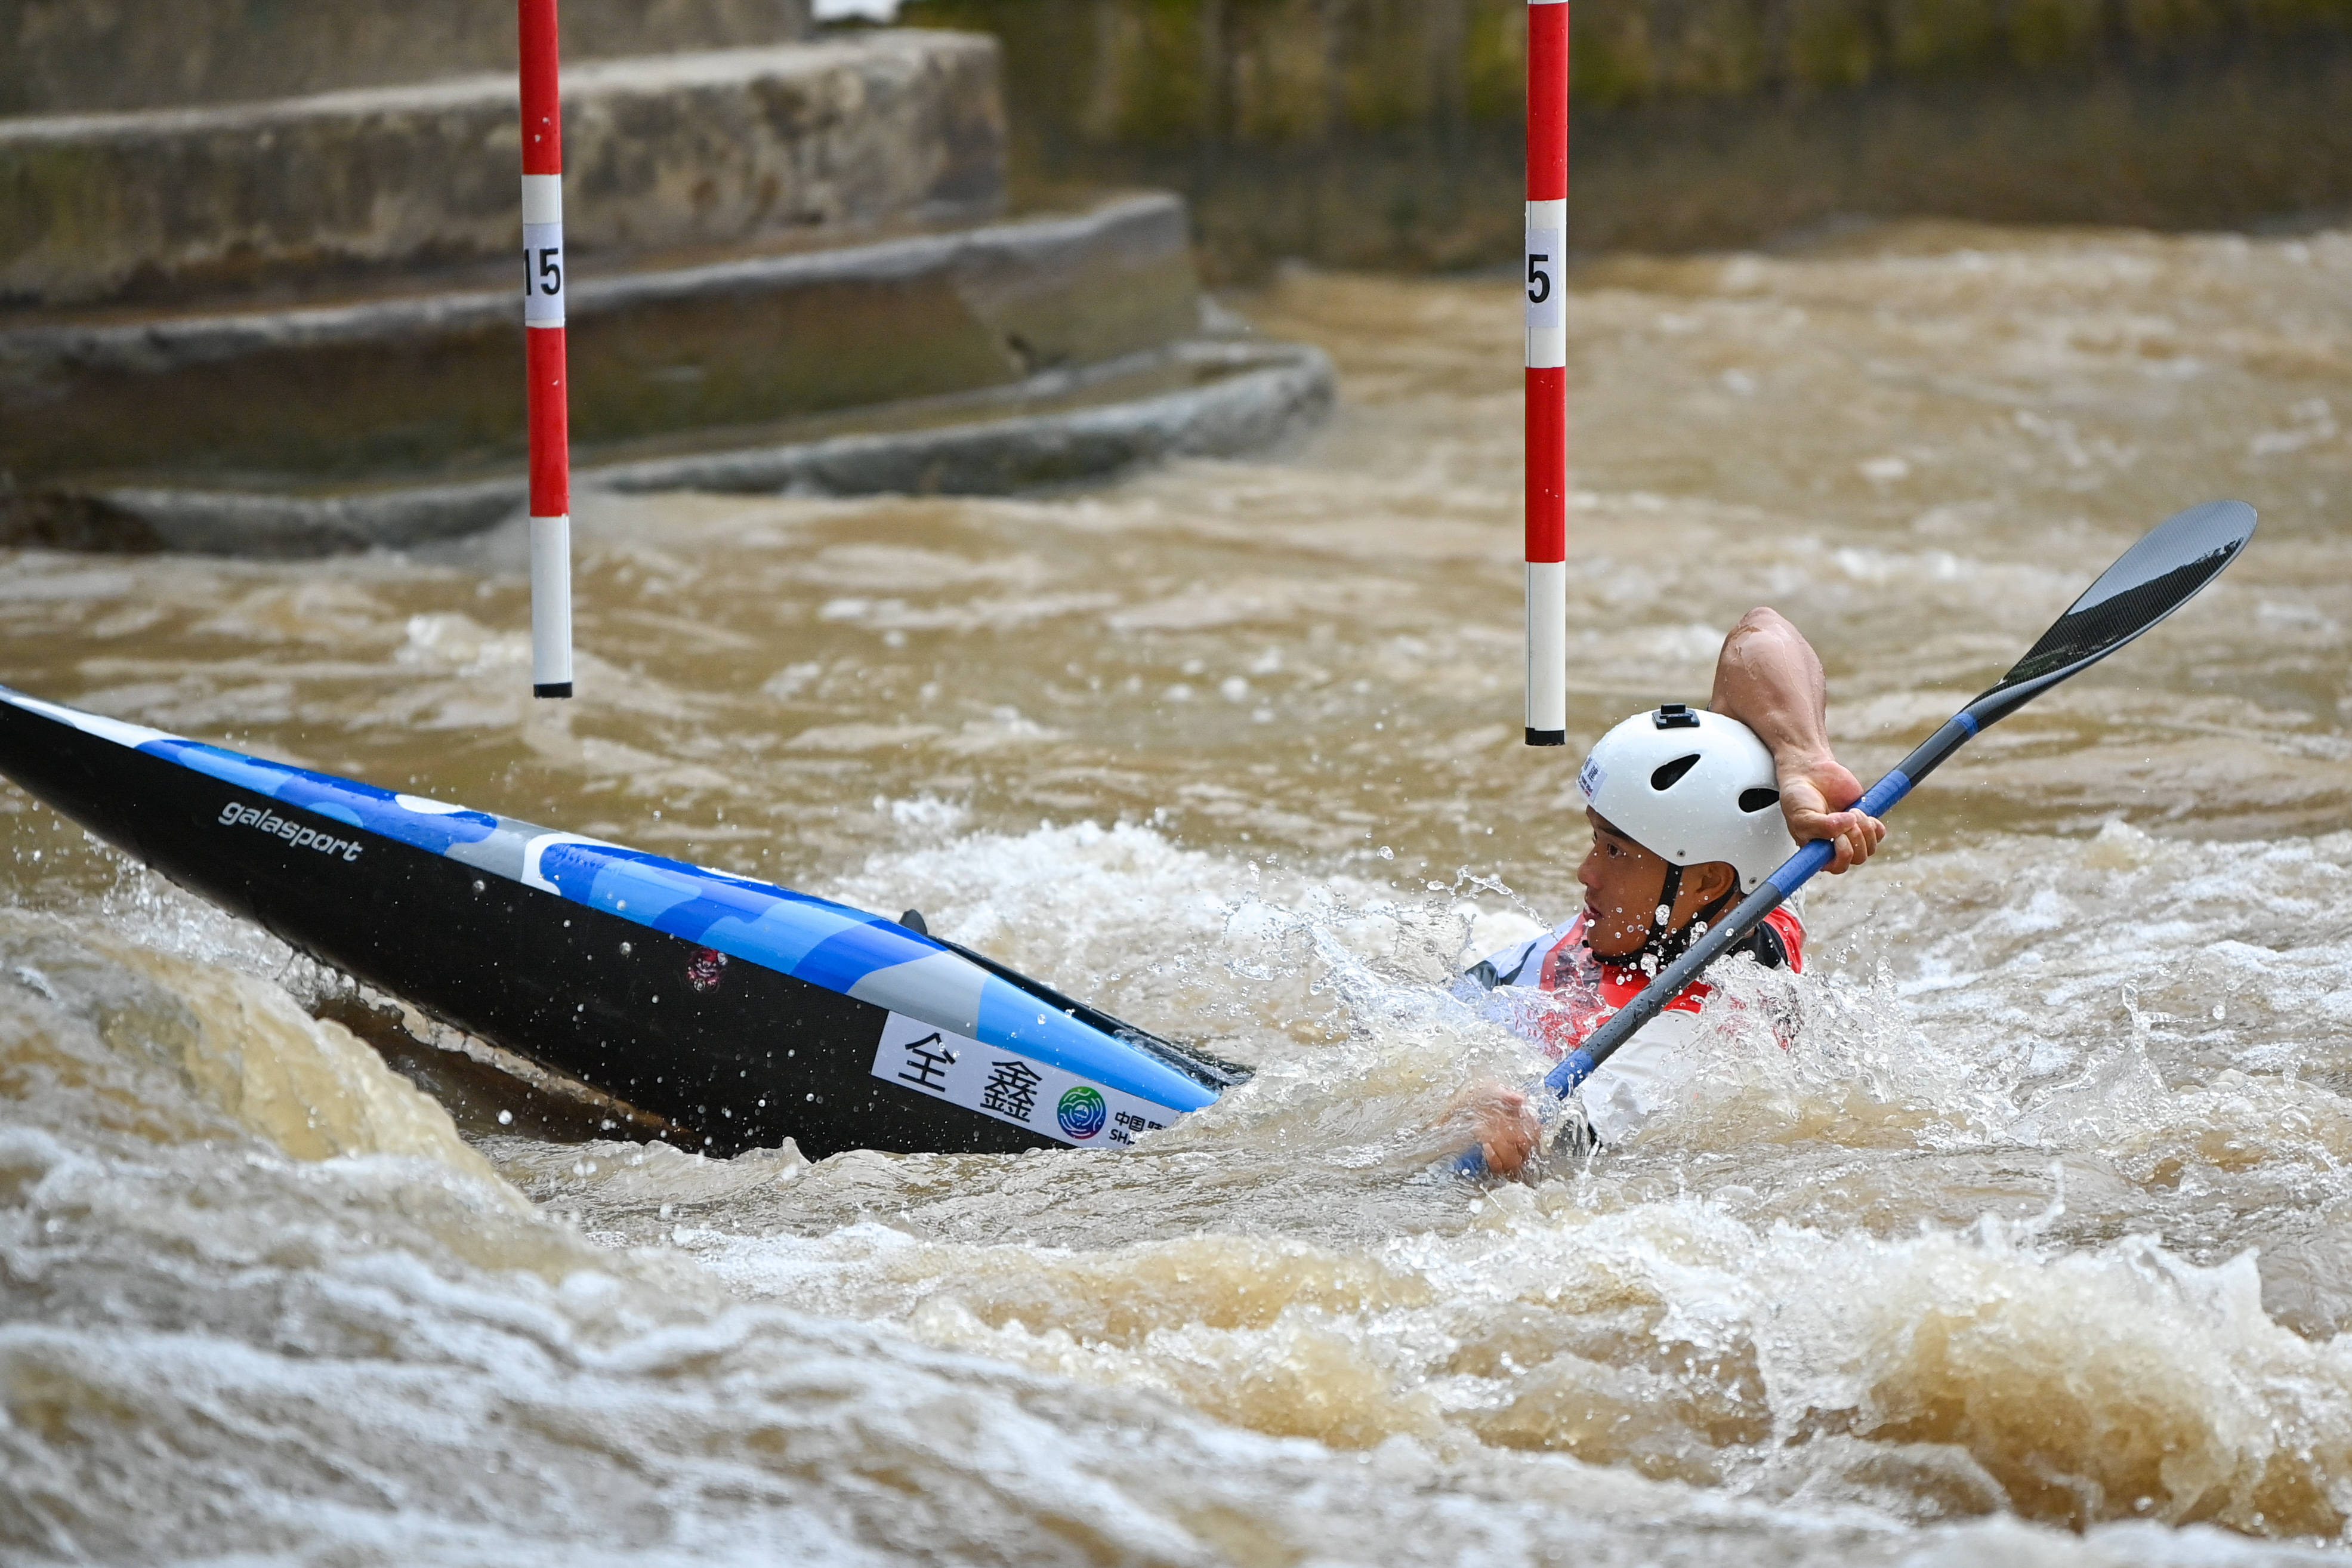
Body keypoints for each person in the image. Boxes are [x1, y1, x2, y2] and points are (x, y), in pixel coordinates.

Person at [1453, 607, 1885, 1175]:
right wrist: (1802, 757)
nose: (1587, 873)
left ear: (1706, 879)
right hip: (1452, 1001)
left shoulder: (1670, 1055)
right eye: (1596, 841)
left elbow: (1549, 1162)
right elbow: (1760, 632)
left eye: (1615, 851)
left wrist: (1485, 1127)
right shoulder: (1744, 894)